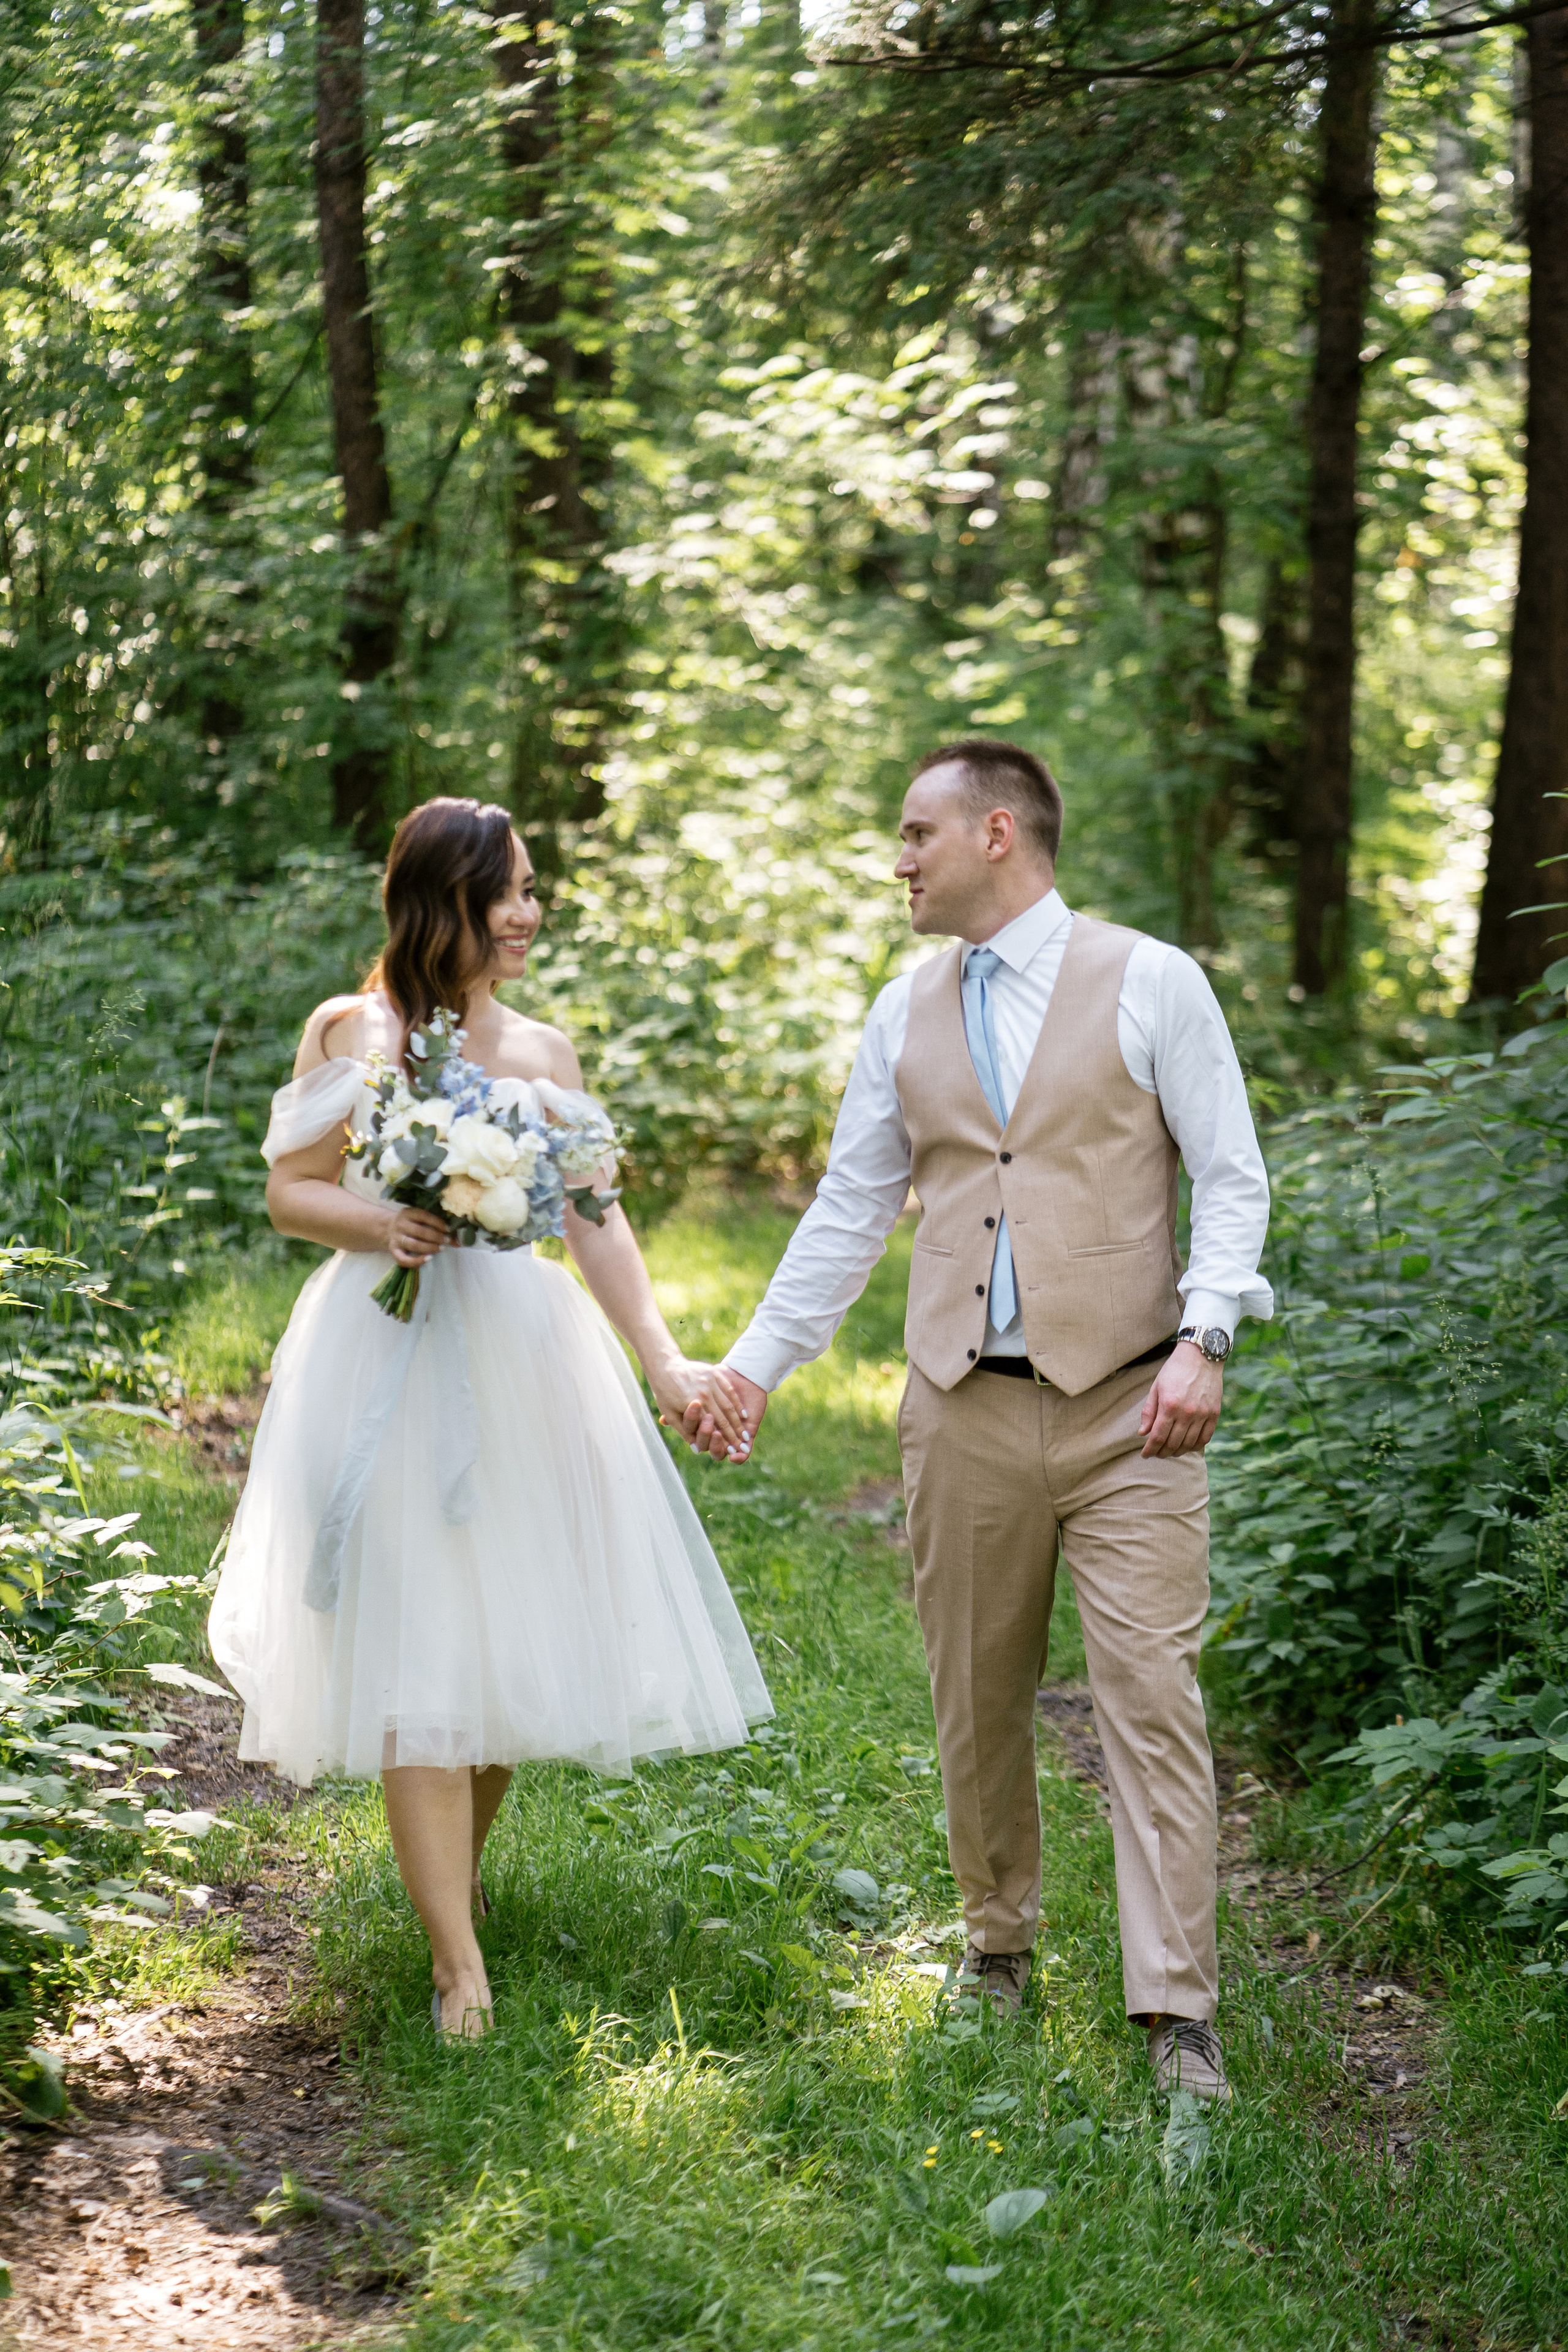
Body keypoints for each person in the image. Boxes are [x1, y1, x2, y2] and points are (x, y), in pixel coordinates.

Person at [687, 740, 1271, 2103]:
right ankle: (995, 1950)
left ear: (994, 833)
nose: (897, 860)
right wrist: (757, 1366)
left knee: (1150, 1704)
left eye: (914, 834)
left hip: (1136, 1406)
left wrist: (1206, 1338)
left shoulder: (1152, 981)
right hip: (960, 1408)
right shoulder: (902, 1006)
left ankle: (1177, 2016)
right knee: (974, 1697)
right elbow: (849, 1206)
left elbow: (1231, 1178)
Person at [209, 796, 770, 2038]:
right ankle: (459, 1968)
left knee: (503, 1642)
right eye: (506, 892)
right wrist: (388, 1222)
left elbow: (595, 1217)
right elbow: (291, 1193)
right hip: (382, 1350)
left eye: (529, 891)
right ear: (439, 902)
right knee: (418, 1646)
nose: (526, 914)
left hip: (520, 1351)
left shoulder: (547, 1056)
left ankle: (447, 1896)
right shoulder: (350, 1033)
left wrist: (667, 1363)